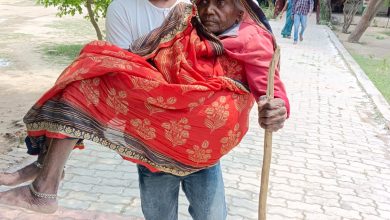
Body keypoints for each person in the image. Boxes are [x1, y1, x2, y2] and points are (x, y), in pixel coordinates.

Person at [0, 0, 290, 219]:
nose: (209, 9)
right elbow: (131, 66)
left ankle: (44, 178)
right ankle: (45, 177)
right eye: (204, 1)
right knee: (85, 77)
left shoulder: (253, 41)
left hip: (203, 152)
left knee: (213, 216)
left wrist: (275, 108)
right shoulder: (179, 17)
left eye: (220, 1)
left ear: (241, 11)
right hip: (156, 145)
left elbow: (270, 89)